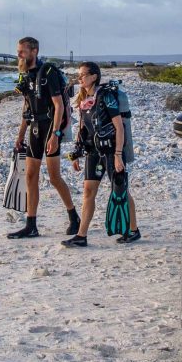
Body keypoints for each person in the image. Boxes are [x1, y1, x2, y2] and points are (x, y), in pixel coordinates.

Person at [7, 36, 80, 239]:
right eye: (18, 51)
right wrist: (20, 135)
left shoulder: (48, 72)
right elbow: (27, 107)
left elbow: (58, 106)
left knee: (55, 178)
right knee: (31, 176)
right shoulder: (25, 75)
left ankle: (74, 217)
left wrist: (56, 135)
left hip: (50, 128)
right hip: (35, 128)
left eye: (22, 51)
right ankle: (32, 225)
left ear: (34, 51)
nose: (19, 54)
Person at [62, 61, 140, 247]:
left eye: (83, 75)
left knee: (120, 191)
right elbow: (83, 129)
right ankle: (81, 236)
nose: (79, 78)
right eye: (79, 75)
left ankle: (134, 230)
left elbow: (119, 127)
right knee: (88, 192)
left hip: (111, 151)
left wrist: (118, 155)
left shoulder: (106, 97)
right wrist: (76, 153)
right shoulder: (83, 100)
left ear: (94, 76)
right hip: (93, 152)